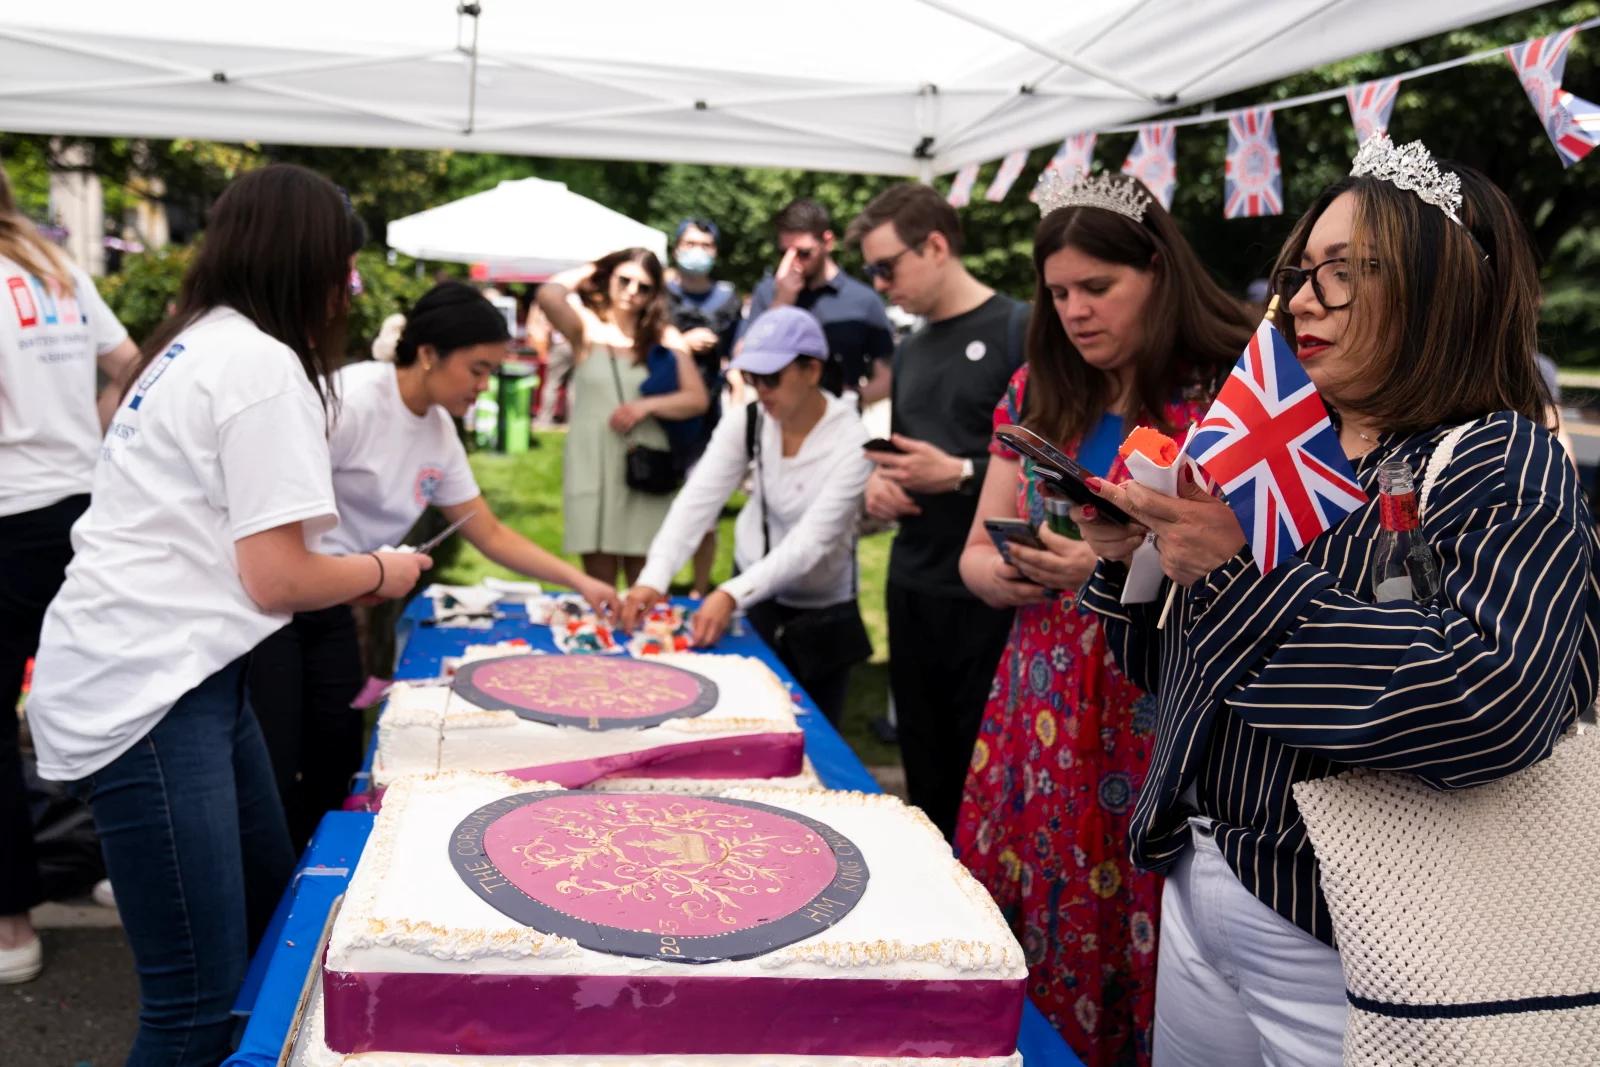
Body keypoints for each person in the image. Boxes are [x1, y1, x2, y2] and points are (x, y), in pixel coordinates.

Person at [1075, 142, 1600, 1066]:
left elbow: (1491, 705)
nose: (1304, 300)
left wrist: (1232, 576)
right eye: (1304, 272)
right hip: (1207, 875)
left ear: (1440, 291)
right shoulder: (1284, 439)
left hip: (1359, 927)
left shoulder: (1497, 458)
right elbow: (1180, 676)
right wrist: (1137, 566)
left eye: (1348, 274)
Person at [24, 164, 434, 1064]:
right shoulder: (256, 363)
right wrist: (382, 569)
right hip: (154, 692)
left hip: (189, 673)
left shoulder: (200, 338)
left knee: (264, 928)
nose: (348, 291)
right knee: (196, 1003)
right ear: (308, 264)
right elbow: (277, 578)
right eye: (346, 270)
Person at [955, 172, 1254, 1066]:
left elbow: (1257, 565)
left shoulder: (1227, 395)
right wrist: (1003, 574)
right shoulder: (1038, 387)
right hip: (1041, 691)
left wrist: (1113, 564)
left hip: (1157, 695)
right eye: (1058, 293)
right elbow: (974, 547)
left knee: (1147, 916)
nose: (1076, 311)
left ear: (1157, 271)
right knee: (1037, 895)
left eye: (1098, 287)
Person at [247, 281, 622, 850]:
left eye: (492, 371)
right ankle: (272, 900)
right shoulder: (347, 400)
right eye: (477, 369)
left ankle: (316, 869)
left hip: (340, 603)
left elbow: (487, 530)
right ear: (428, 354)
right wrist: (363, 572)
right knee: (275, 761)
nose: (484, 386)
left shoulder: (440, 430)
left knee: (338, 750)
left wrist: (581, 580)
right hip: (277, 605)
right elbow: (272, 514)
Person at [847, 182, 1028, 839]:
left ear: (936, 246)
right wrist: (881, 489)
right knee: (923, 772)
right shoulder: (913, 348)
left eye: (885, 267)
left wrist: (956, 474)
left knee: (985, 775)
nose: (878, 283)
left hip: (989, 593)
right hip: (914, 579)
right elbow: (908, 457)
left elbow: (1048, 465)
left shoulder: (1019, 327)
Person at [0, 167, 140, 985]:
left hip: (11, 513)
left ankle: (12, 920)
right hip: (80, 507)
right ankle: (117, 866)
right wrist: (87, 435)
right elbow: (133, 363)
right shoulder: (57, 270)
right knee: (101, 691)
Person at [621, 307, 872, 724]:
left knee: (812, 729)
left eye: (771, 379)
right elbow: (697, 501)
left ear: (812, 370)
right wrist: (654, 576)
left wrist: (730, 593)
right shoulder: (749, 420)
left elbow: (810, 543)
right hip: (754, 589)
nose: (761, 391)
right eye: (752, 380)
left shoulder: (852, 440)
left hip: (819, 604)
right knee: (743, 717)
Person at [538, 248, 708, 587]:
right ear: (610, 279)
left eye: (643, 286)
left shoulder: (665, 338)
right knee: (598, 580)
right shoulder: (586, 328)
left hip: (643, 461)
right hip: (592, 462)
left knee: (643, 580)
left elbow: (696, 398)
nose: (632, 291)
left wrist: (646, 407)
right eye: (625, 280)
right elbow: (549, 294)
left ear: (654, 294)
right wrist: (595, 266)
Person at [744, 198, 895, 395]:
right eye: (784, 252)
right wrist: (781, 302)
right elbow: (745, 359)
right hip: (777, 417)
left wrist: (851, 402)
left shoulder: (864, 299)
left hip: (838, 420)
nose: (793, 262)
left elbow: (887, 376)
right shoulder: (769, 292)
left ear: (828, 241)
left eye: (804, 253)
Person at [666, 218, 742, 596]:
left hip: (708, 417)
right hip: (662, 411)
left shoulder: (726, 299)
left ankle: (698, 588)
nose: (698, 251)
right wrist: (681, 341)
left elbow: (738, 355)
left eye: (706, 245)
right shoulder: (658, 293)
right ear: (677, 246)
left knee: (705, 510)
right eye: (691, 243)